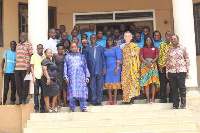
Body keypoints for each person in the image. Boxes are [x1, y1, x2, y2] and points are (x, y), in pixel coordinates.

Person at [64, 42, 90, 112]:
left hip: (81, 77)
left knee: (82, 92)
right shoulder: (67, 57)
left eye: (75, 47)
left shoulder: (81, 57)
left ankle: (84, 107)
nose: (74, 48)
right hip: (72, 78)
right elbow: (65, 67)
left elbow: (85, 67)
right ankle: (72, 108)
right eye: (72, 47)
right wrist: (66, 77)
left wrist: (87, 76)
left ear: (77, 47)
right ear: (70, 48)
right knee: (72, 92)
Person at [166, 35, 190, 109]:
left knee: (182, 87)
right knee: (173, 88)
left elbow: (187, 59)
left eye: (175, 39)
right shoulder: (169, 49)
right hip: (172, 71)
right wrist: (167, 72)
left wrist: (187, 70)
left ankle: (183, 104)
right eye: (172, 39)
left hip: (181, 70)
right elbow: (168, 61)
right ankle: (175, 105)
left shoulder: (183, 48)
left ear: (178, 39)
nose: (173, 40)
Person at [85, 35, 106, 106]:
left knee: (99, 86)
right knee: (92, 86)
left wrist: (104, 68)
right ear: (90, 39)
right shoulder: (87, 49)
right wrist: (86, 71)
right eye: (92, 38)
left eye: (94, 38)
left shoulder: (100, 48)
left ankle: (99, 100)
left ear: (96, 39)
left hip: (100, 69)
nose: (93, 39)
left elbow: (103, 59)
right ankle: (93, 100)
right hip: (91, 70)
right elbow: (85, 61)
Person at [121, 31, 140, 104]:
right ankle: (126, 99)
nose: (127, 37)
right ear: (124, 37)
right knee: (125, 83)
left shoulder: (135, 46)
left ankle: (131, 98)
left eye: (129, 36)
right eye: (126, 36)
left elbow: (138, 56)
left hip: (132, 68)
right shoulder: (123, 47)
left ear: (131, 37)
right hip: (125, 67)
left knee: (132, 82)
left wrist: (135, 54)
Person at [139, 36, 160, 103]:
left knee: (153, 83)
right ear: (145, 41)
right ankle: (147, 98)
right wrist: (146, 63)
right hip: (145, 66)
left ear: (151, 41)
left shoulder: (155, 48)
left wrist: (151, 62)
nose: (148, 41)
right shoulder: (142, 49)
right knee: (146, 83)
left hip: (153, 66)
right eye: (147, 40)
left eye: (149, 40)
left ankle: (153, 98)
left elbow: (157, 57)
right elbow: (141, 57)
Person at [15, 32, 33, 105]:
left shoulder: (29, 44)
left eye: (24, 36)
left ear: (26, 37)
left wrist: (29, 66)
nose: (23, 37)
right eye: (21, 36)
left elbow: (31, 56)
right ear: (19, 37)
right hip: (17, 68)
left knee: (25, 84)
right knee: (18, 84)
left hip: (25, 68)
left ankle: (24, 99)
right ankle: (20, 98)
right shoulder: (17, 45)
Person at [103, 37, 122, 105]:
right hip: (107, 68)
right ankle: (110, 100)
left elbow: (119, 58)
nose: (109, 41)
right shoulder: (104, 49)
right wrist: (104, 68)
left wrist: (117, 68)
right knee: (108, 84)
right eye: (108, 40)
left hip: (115, 67)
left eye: (111, 40)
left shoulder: (116, 48)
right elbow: (103, 59)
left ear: (113, 41)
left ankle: (115, 100)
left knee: (115, 84)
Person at [30, 44, 45, 113]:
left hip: (43, 77)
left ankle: (42, 107)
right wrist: (33, 77)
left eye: (41, 48)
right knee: (36, 93)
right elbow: (32, 67)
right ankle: (36, 108)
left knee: (43, 93)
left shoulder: (44, 57)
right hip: (36, 77)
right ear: (37, 49)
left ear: (43, 49)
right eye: (39, 48)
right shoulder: (33, 56)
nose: (40, 49)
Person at [158, 31, 172, 103]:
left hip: (171, 67)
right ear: (165, 35)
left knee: (172, 83)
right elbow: (160, 56)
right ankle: (163, 98)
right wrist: (160, 66)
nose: (168, 36)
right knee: (163, 83)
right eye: (167, 34)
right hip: (163, 67)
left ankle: (172, 98)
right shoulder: (161, 45)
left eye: (169, 34)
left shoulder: (173, 45)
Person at [1, 41, 17, 105]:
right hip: (6, 73)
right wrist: (2, 69)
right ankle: (3, 101)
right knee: (5, 87)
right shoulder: (6, 52)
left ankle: (12, 100)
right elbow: (3, 61)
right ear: (10, 45)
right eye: (11, 45)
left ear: (16, 45)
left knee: (13, 87)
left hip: (14, 73)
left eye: (14, 45)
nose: (13, 46)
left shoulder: (17, 53)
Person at [52, 43, 67, 108]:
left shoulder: (65, 56)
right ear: (57, 49)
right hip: (57, 74)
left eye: (61, 49)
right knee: (59, 89)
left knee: (64, 89)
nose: (60, 50)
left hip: (64, 73)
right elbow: (53, 66)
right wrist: (55, 76)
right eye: (59, 49)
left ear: (63, 49)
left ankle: (65, 103)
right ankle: (59, 103)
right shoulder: (55, 56)